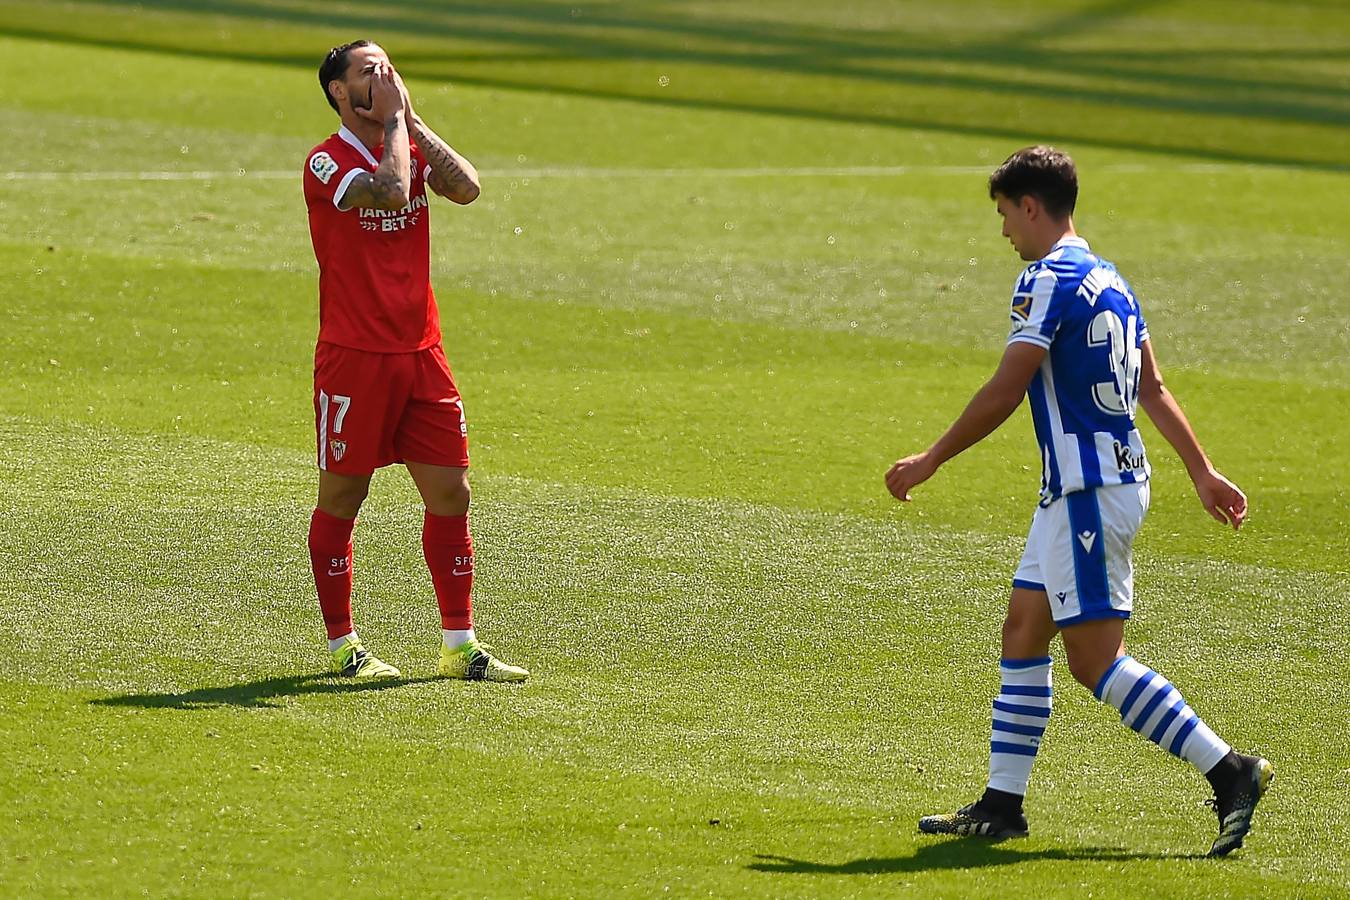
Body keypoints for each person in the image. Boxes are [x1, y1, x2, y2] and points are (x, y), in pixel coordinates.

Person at [884, 146, 1270, 856]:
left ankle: (1230, 771)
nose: (1004, 232)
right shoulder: (1113, 282)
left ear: (1031, 206)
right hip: (1092, 487)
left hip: (1088, 494)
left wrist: (931, 458)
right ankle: (1002, 805)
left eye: (1005, 215)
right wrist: (1203, 471)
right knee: (1023, 631)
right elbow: (1152, 388)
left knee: (1096, 661)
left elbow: (1007, 388)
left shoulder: (1046, 279)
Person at [302, 40, 527, 683]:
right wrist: (396, 121)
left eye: (389, 68)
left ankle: (460, 644)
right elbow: (390, 187)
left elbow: (468, 187)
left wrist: (411, 118)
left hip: (421, 351)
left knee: (452, 490)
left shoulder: (407, 139)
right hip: (354, 355)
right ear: (340, 94)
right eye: (369, 72)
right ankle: (344, 647)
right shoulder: (326, 161)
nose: (386, 78)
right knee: (345, 495)